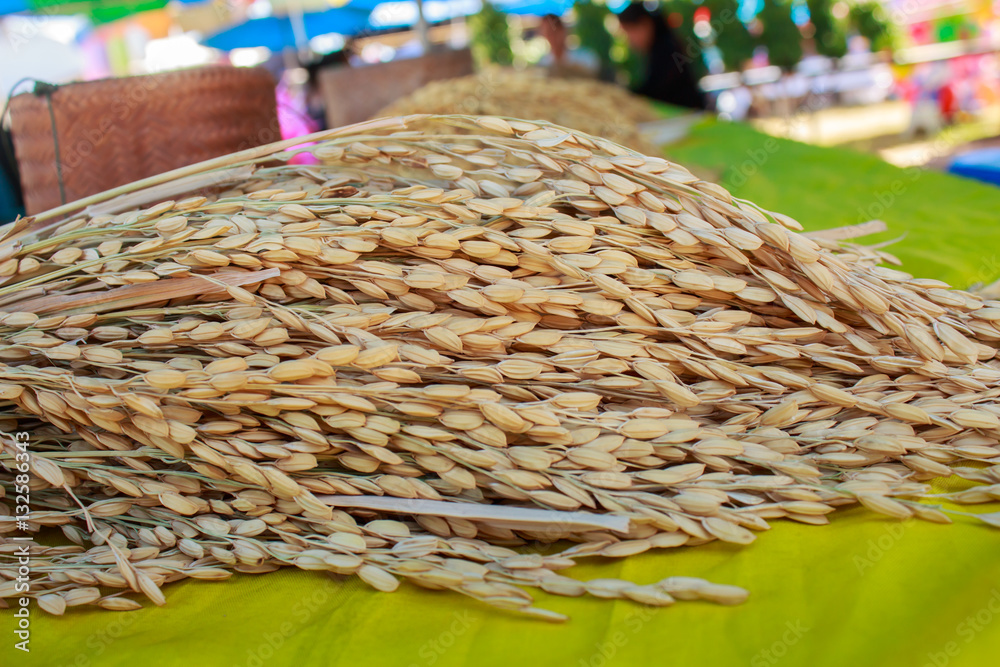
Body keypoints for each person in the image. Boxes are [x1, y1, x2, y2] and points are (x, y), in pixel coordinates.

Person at [617, 3, 707, 109]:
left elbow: (656, 91)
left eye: (629, 31)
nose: (628, 40)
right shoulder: (660, 48)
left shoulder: (667, 50)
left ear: (644, 25)